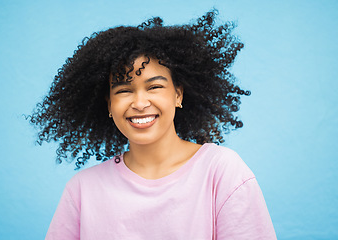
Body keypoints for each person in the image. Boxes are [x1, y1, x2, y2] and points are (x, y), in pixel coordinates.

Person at [30, 10, 277, 240]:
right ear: (108, 105)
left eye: (155, 86)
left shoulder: (222, 173)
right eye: (124, 90)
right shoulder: (81, 191)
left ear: (178, 94)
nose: (139, 102)